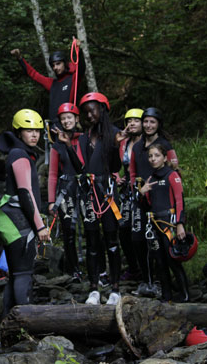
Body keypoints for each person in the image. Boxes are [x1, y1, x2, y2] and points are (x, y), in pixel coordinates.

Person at [0, 109, 50, 315]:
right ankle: (25, 324)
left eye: (37, 130)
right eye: (28, 130)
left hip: (11, 221)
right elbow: (25, 193)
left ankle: (8, 322)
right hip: (19, 223)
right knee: (24, 274)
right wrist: (40, 225)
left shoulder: (18, 153)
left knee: (16, 274)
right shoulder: (20, 155)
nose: (34, 134)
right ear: (19, 133)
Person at [77, 92, 125, 305]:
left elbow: (115, 167)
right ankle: (94, 287)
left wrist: (115, 146)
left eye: (93, 110)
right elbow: (81, 166)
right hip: (89, 193)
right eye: (86, 112)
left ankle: (115, 288)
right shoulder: (84, 137)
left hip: (106, 192)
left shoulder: (113, 134)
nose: (89, 115)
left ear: (103, 110)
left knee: (111, 241)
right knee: (92, 241)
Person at [128, 107, 178, 296]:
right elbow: (132, 172)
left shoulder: (164, 144)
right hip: (141, 198)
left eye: (152, 122)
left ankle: (162, 283)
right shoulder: (138, 146)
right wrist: (136, 189)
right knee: (138, 239)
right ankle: (146, 280)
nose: (148, 125)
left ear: (158, 124)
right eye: (146, 121)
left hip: (161, 201)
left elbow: (174, 169)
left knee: (159, 242)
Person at [139, 144, 191, 302]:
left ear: (165, 158)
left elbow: (179, 200)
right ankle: (166, 296)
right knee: (159, 261)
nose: (153, 159)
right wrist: (142, 193)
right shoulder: (150, 179)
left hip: (169, 222)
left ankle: (185, 296)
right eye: (150, 156)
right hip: (154, 223)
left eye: (156, 155)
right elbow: (146, 205)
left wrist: (180, 223)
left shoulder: (172, 175)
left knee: (172, 259)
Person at [48, 103, 84, 281]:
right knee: (68, 231)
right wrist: (50, 200)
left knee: (89, 230)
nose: (66, 121)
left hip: (84, 188)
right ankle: (73, 269)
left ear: (77, 119)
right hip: (65, 189)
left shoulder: (85, 140)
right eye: (63, 119)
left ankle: (97, 269)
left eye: (70, 117)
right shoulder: (56, 146)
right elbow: (53, 175)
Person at [10, 39, 86, 122]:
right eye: (53, 66)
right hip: (53, 125)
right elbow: (33, 74)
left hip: (67, 123)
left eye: (58, 64)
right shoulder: (52, 83)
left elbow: (81, 68)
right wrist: (20, 58)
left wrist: (79, 50)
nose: (55, 68)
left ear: (65, 63)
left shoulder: (73, 79)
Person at [116, 109, 144, 283]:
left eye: (136, 120)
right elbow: (111, 160)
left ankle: (148, 269)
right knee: (124, 229)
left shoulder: (149, 142)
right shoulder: (124, 143)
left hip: (144, 188)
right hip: (127, 190)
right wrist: (116, 176)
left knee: (140, 230)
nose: (132, 123)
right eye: (129, 120)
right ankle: (134, 268)